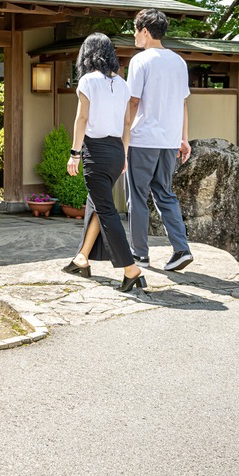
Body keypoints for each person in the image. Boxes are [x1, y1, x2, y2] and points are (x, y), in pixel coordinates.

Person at [61, 33, 146, 293]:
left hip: (95, 151)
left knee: (106, 210)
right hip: (116, 150)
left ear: (87, 55)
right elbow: (126, 124)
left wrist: (75, 153)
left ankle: (131, 270)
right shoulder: (122, 84)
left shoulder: (87, 81)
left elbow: (82, 119)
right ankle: (82, 258)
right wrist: (124, 153)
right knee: (98, 203)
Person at [125, 9, 193, 272]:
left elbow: (132, 102)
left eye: (135, 29)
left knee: (138, 197)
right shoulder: (178, 61)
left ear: (144, 31)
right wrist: (183, 138)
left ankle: (140, 254)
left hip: (143, 140)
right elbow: (183, 103)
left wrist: (124, 137)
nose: (134, 35)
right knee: (165, 194)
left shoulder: (140, 61)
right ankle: (181, 249)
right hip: (169, 141)